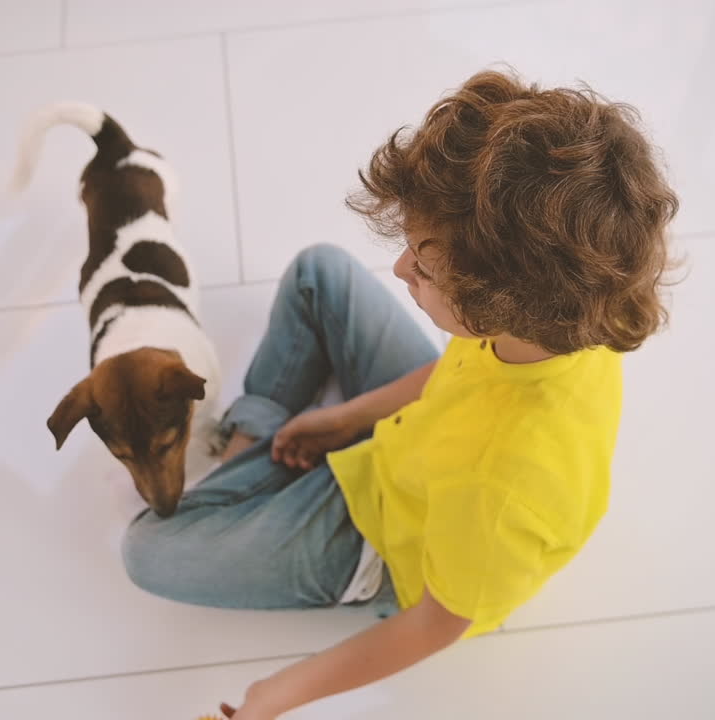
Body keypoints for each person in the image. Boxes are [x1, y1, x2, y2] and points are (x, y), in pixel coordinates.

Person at [121, 67, 679, 719]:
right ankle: (255, 450)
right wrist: (347, 419)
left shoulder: (505, 488)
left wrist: (281, 693)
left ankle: (253, 464)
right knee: (318, 273)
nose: (399, 268)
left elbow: (437, 622)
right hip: (412, 448)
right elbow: (457, 376)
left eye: (423, 265)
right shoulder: (559, 322)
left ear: (495, 306)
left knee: (145, 551)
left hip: (384, 540)